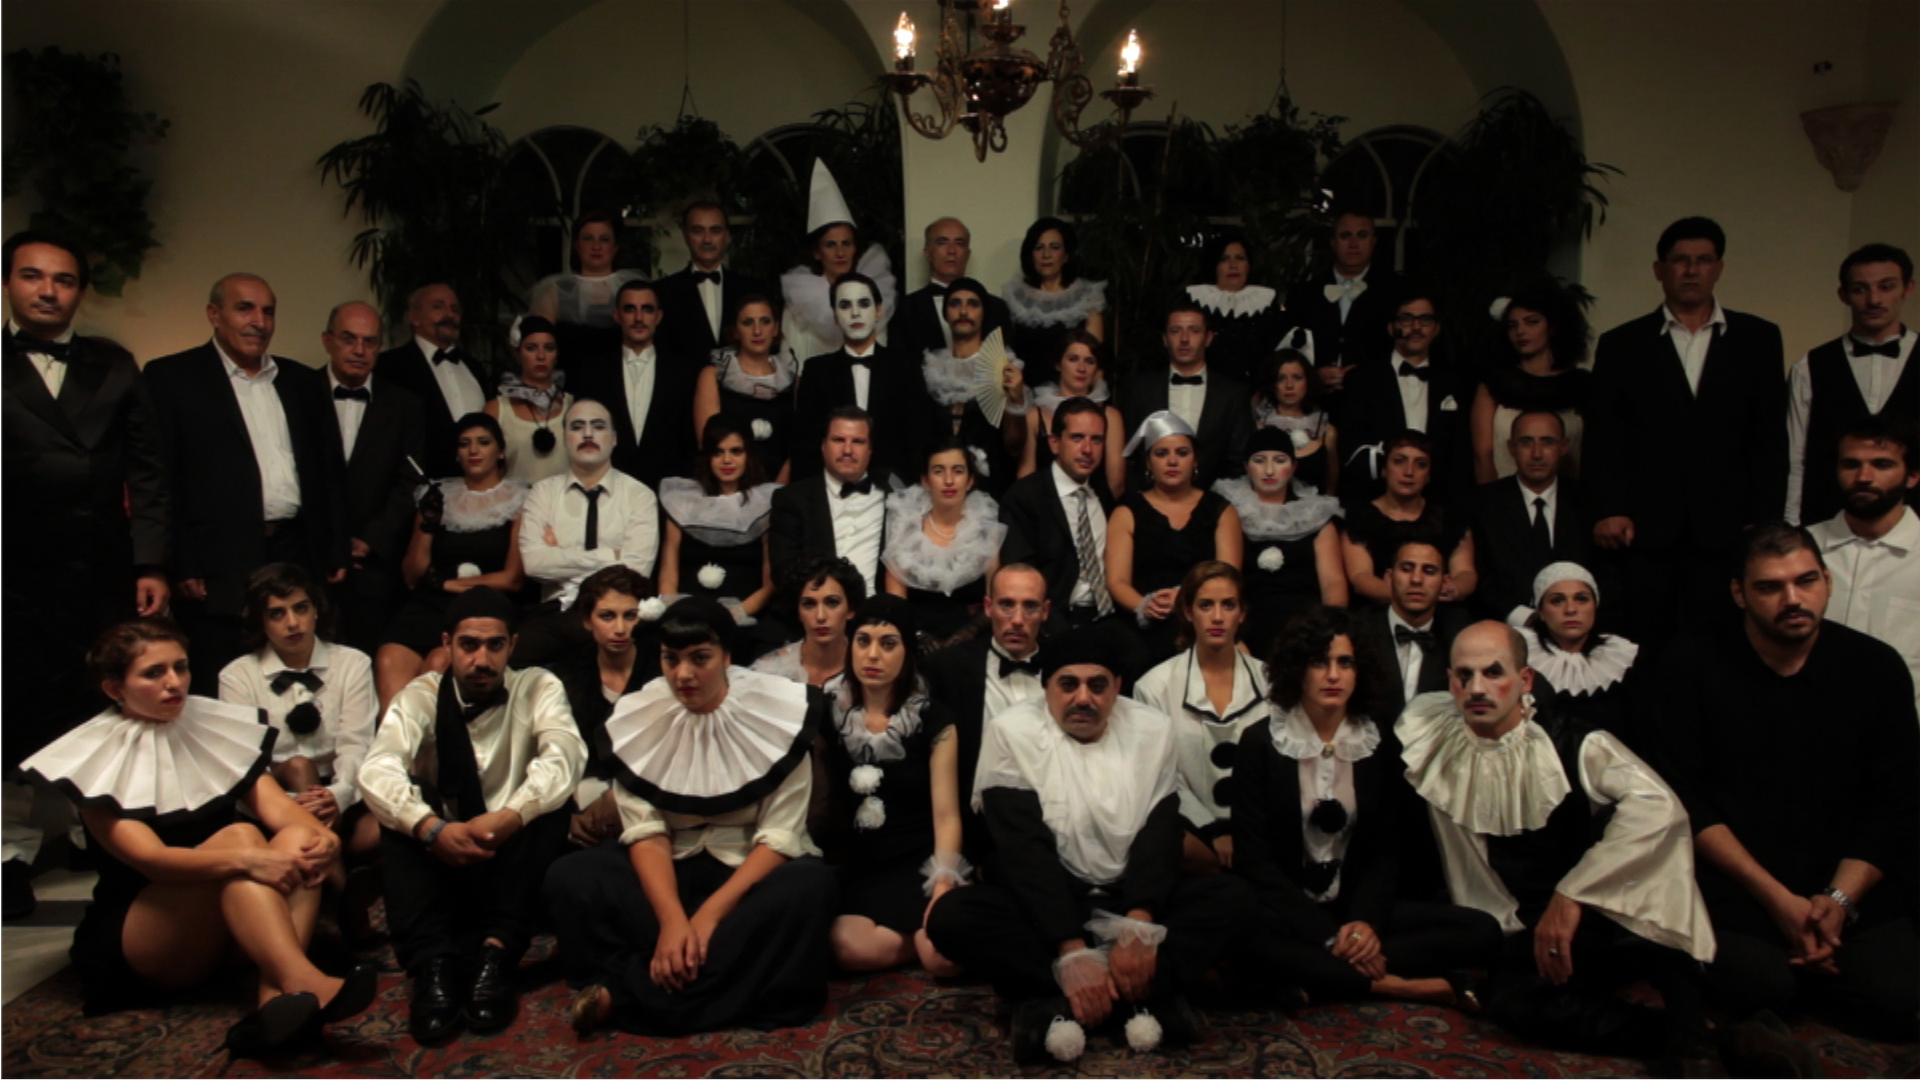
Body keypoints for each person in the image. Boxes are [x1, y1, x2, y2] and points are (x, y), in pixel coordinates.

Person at [21, 619, 376, 1052]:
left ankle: (275, 999)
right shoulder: (94, 759)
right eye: (154, 673)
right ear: (115, 689)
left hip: (230, 919)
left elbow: (281, 810)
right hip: (148, 933)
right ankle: (301, 979)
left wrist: (325, 839)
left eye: (181, 667)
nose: (174, 682)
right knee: (241, 837)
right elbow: (152, 860)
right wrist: (247, 859)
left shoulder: (211, 727)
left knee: (299, 838)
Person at [1398, 622, 1722, 1074]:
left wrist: (1574, 893)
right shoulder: (1431, 737)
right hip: (1512, 929)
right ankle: (1705, 1040)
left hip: (1594, 918)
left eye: (1493, 672)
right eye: (1464, 676)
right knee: (1510, 1003)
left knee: (1644, 844)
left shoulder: (1573, 740)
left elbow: (1660, 807)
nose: (1477, 688)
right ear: (1450, 681)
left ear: (1525, 680)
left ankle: (1691, 1035)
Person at [925, 623, 1251, 1066]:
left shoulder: (1152, 729)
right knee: (952, 918)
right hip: (1050, 901)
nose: (1083, 698)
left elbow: (1159, 834)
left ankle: (1052, 1002)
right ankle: (1138, 997)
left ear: (1117, 686)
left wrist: (1138, 925)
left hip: (1128, 897)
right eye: (1068, 685)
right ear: (1046, 689)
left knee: (1235, 899)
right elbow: (1024, 851)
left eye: (1097, 685)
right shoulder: (1011, 731)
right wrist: (1070, 950)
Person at [1657, 525, 1918, 1045]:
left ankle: (1820, 959)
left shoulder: (1877, 667)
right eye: (1770, 587)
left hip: (1844, 879)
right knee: (1760, 985)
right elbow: (1684, 801)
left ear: (1827, 581)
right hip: (1740, 883)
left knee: (1899, 1001)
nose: (1793, 599)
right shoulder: (1690, 662)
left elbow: (1895, 802)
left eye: (1806, 581)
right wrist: (1780, 901)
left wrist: (1837, 901)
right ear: (1739, 593)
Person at [545, 598, 839, 1036]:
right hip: (670, 867)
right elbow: (645, 832)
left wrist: (707, 918)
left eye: (700, 658)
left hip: (748, 872)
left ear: (727, 657)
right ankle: (720, 982)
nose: (683, 674)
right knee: (572, 876)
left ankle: (628, 993)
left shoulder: (780, 713)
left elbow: (779, 836)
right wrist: (672, 922)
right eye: (671, 659)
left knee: (812, 886)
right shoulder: (639, 717)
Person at [3, 231, 168, 917]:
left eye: (63, 280)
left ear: (79, 291)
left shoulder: (115, 363)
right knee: (12, 711)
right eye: (32, 276)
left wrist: (150, 560)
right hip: (14, 571)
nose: (48, 291)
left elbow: (148, 471)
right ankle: (9, 855)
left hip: (102, 567)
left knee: (100, 704)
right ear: (9, 284)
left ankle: (97, 839)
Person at [1235, 606, 1501, 1004]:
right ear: (1297, 669)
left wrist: (1363, 925)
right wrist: (1325, 937)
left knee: (1482, 930)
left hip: (1354, 908)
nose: (1333, 675)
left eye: (1345, 662)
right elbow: (1255, 861)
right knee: (1238, 934)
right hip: (1290, 912)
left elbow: (1384, 851)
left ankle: (1322, 977)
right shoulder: (1260, 742)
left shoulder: (1377, 742)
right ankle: (1395, 985)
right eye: (1319, 662)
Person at [359, 587, 586, 1043]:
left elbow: (566, 754)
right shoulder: (419, 696)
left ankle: (497, 955)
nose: (481, 659)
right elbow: (376, 769)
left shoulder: (537, 686)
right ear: (447, 644)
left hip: (513, 860)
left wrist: (511, 815)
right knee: (401, 805)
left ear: (512, 646)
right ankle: (433, 965)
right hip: (442, 858)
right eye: (468, 645)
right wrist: (430, 828)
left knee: (550, 797)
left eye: (494, 645)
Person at [1587, 217, 1786, 647]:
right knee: (1645, 642)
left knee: (1724, 641)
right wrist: (1610, 507)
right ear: (1659, 269)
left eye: (1703, 260)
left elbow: (1769, 437)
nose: (1692, 270)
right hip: (1645, 527)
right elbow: (1605, 435)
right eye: (1680, 260)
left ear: (1719, 268)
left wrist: (1766, 518)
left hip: (1730, 525)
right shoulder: (1622, 343)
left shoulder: (1759, 339)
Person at [140, 272, 345, 674]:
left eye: (268, 311)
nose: (259, 322)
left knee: (297, 673)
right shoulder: (171, 377)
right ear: (214, 314)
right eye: (245, 309)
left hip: (295, 550)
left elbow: (329, 470)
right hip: (216, 560)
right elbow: (162, 477)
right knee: (222, 672)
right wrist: (182, 561)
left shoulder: (302, 381)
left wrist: (335, 545)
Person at [817, 595, 964, 975]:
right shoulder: (828, 712)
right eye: (863, 641)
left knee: (943, 960)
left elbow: (947, 815)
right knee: (847, 946)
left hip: (919, 862)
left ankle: (925, 938)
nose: (873, 655)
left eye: (888, 644)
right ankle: (915, 940)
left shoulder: (933, 719)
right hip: (863, 865)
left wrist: (943, 883)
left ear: (907, 651)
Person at [218, 563, 379, 901]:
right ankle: (345, 895)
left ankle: (336, 889)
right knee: (298, 766)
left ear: (316, 609)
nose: (293, 623)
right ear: (260, 621)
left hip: (341, 795)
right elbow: (248, 765)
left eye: (301, 608)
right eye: (277, 614)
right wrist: (297, 807)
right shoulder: (237, 676)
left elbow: (356, 743)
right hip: (271, 802)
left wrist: (336, 796)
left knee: (391, 822)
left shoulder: (353, 663)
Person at [375, 413, 528, 707]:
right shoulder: (437, 493)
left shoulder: (519, 498)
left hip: (483, 607)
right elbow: (412, 576)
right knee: (388, 659)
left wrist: (447, 584)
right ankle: (394, 737)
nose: (473, 451)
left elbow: (513, 579)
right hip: (428, 606)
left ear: (500, 451)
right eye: (464, 443)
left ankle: (435, 737)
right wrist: (428, 524)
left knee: (437, 663)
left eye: (483, 442)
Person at [1131, 563, 1271, 875]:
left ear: (1242, 613)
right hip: (1189, 840)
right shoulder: (1153, 688)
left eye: (1228, 605)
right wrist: (1210, 830)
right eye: (1206, 605)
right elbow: (1160, 774)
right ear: (1188, 612)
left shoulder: (1273, 683)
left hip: (1264, 837)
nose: (1217, 617)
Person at [918, 564, 1053, 868]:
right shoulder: (947, 669)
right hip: (979, 831)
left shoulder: (1066, 668)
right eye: (1007, 605)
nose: (1017, 619)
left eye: (1030, 607)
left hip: (1055, 821)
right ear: (988, 607)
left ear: (1045, 611)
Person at [514, 398, 661, 666]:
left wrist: (560, 556)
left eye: (598, 426)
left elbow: (637, 571)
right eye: (577, 426)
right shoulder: (542, 493)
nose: (588, 434)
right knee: (514, 657)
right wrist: (612, 556)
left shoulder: (640, 496)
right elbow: (535, 563)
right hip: (555, 611)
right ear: (565, 438)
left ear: (614, 438)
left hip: (618, 614)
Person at [1786, 243, 1919, 524]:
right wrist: (1792, 526)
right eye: (1860, 289)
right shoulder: (1809, 366)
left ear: (1908, 288)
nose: (1874, 300)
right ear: (1843, 295)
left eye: (1886, 287)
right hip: (1827, 522)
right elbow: (1795, 458)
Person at [321, 299, 427, 651]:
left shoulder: (406, 405)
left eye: (369, 341)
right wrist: (326, 542)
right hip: (309, 559)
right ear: (327, 341)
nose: (359, 350)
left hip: (377, 567)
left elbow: (411, 481)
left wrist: (371, 540)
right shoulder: (298, 392)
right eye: (349, 339)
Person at [1108, 411, 1244, 661]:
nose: (1172, 461)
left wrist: (1185, 598)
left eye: (1182, 453)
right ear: (1148, 462)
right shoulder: (1126, 512)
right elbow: (1117, 581)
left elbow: (1228, 577)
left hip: (1206, 618)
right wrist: (1144, 605)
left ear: (1195, 460)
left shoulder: (1221, 510)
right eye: (1161, 454)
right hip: (1143, 623)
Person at [1808, 416, 1920, 708]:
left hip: (1906, 725)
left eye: (1882, 464)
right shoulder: (1801, 549)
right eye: (1851, 464)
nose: (1863, 477)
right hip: (1806, 721)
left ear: (1912, 475)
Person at [1213, 427, 1348, 658]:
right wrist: (1232, 635)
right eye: (1259, 460)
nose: (1269, 470)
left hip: (1306, 625)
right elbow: (1226, 579)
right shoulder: (1229, 510)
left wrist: (1325, 633)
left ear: (1293, 467)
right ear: (1246, 466)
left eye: (1279, 460)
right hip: (1248, 622)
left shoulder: (1316, 514)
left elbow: (1333, 585)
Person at [549, 566, 657, 853]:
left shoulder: (661, 670)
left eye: (630, 616)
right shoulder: (567, 674)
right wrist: (567, 819)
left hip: (650, 791)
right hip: (582, 793)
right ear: (587, 620)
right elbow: (555, 753)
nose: (620, 628)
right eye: (607, 616)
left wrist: (617, 796)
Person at [790, 272, 930, 482]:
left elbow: (918, 437)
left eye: (864, 304)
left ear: (878, 311)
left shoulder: (906, 367)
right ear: (835, 316)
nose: (855, 313)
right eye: (845, 305)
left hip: (896, 487)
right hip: (830, 486)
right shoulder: (816, 370)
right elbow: (806, 443)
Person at [1001, 398, 1119, 635]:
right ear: (1054, 443)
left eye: (1096, 440)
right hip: (1052, 624)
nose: (1088, 449)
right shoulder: (1025, 496)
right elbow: (1021, 578)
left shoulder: (1103, 494)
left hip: (1108, 618)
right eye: (1077, 438)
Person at [1338, 288, 1468, 502]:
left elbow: (1460, 453)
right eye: (1406, 319)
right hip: (1374, 500)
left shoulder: (1455, 383)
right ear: (1391, 327)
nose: (1416, 327)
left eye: (1425, 320)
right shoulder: (1362, 379)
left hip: (1439, 503)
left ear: (1436, 329)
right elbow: (1351, 445)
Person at [566, 280, 696, 491]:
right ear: (617, 316)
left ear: (658, 316)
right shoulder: (593, 372)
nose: (638, 318)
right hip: (606, 489)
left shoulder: (684, 372)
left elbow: (689, 440)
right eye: (630, 309)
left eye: (647, 309)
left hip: (669, 492)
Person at [1468, 410, 1595, 623]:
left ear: (1564, 447)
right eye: (1526, 442)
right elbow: (1480, 575)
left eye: (1547, 442)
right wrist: (1524, 618)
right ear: (1512, 448)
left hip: (1578, 624)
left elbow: (1603, 573)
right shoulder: (1483, 503)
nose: (1537, 454)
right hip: (1504, 625)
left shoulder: (1587, 502)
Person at [883, 436, 1007, 647]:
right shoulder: (905, 526)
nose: (949, 480)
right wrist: (918, 638)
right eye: (938, 471)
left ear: (970, 480)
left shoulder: (986, 528)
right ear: (925, 480)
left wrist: (964, 636)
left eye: (958, 471)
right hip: (915, 643)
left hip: (973, 642)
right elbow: (896, 601)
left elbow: (996, 598)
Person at [1119, 304, 1255, 488]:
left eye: (1194, 331)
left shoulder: (1233, 394)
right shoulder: (1140, 389)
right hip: (1150, 499)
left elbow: (1239, 460)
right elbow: (1129, 454)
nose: (1184, 339)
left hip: (1214, 500)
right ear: (1165, 339)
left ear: (1208, 338)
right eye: (1176, 331)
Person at [658, 415, 780, 622]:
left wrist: (733, 616)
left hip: (745, 617)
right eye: (718, 452)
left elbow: (771, 585)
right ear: (707, 457)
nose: (727, 460)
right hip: (688, 617)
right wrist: (675, 614)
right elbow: (668, 575)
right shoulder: (681, 501)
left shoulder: (767, 503)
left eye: (736, 451)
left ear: (749, 454)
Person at [780, 160, 897, 373]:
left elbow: (881, 352)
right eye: (831, 245)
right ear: (817, 252)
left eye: (847, 243)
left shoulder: (873, 293)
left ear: (855, 248)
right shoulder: (800, 300)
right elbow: (792, 362)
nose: (840, 253)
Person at [919, 276, 1029, 496]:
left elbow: (1014, 446)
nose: (963, 311)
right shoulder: (932, 369)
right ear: (945, 313)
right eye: (955, 303)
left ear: (984, 313)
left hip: (991, 488)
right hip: (940, 489)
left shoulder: (1003, 368)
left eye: (973, 304)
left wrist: (1016, 401)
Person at [1472, 285, 1594, 484]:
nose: (1520, 331)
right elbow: (1482, 456)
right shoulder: (1494, 383)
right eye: (1513, 325)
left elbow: (1596, 452)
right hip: (1504, 494)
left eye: (1532, 322)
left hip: (1569, 496)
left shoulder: (1581, 384)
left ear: (1552, 326)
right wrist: (1490, 500)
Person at [1340, 430, 1477, 605]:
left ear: (1429, 474)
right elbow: (1360, 577)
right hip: (1381, 609)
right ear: (1384, 468)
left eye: (1420, 464)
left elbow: (1466, 572)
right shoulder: (1360, 517)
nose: (1409, 471)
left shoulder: (1451, 517)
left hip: (1441, 607)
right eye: (1399, 461)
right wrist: (1408, 597)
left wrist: (1454, 589)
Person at [769, 407, 893, 599]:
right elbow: (783, 573)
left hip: (876, 611)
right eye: (838, 440)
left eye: (858, 441)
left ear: (870, 450)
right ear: (823, 446)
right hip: (814, 608)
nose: (847, 450)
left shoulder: (894, 498)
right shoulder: (791, 499)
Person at [1515, 563, 1642, 747]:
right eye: (1557, 600)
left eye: (1581, 599)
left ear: (1595, 606)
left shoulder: (1622, 660)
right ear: (1540, 611)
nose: (1571, 609)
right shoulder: (1520, 655)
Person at [1282, 209, 1400, 398]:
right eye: (1345, 236)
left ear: (1374, 241)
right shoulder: (1303, 294)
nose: (1353, 244)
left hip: (1373, 400)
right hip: (1313, 401)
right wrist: (1313, 375)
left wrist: (1361, 376)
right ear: (1333, 242)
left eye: (1362, 235)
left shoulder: (1395, 293)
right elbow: (1287, 353)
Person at [379, 283, 490, 480]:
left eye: (455, 309)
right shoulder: (389, 367)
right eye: (438, 307)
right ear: (414, 317)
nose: (449, 314)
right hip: (418, 487)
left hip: (478, 487)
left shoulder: (476, 368)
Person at [653, 202, 773, 366]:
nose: (707, 239)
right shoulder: (662, 292)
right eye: (698, 231)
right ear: (686, 236)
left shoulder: (753, 290)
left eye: (715, 231)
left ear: (727, 236)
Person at [691, 295, 797, 481]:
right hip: (729, 486)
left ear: (776, 328)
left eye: (765, 321)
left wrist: (778, 490)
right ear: (735, 331)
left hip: (782, 487)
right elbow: (709, 445)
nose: (757, 331)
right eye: (748, 323)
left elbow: (797, 446)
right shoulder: (714, 375)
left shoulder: (791, 379)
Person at [527, 210, 646, 364]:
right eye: (588, 239)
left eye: (604, 239)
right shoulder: (557, 289)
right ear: (576, 245)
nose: (596, 246)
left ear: (615, 246)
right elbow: (538, 341)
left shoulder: (633, 288)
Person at [1363, 537, 1472, 706]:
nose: (1416, 579)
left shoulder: (1460, 635)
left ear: (1445, 582)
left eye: (1429, 571)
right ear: (1389, 578)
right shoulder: (1361, 630)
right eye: (1407, 569)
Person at [1019, 330, 1127, 497]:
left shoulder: (1110, 416)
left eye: (1090, 361)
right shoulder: (1035, 415)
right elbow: (1026, 475)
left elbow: (1116, 483)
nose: (1081, 368)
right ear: (1058, 364)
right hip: (1044, 506)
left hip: (1095, 504)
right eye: (1073, 359)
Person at [1001, 217, 1107, 386]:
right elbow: (1005, 354)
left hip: (1071, 394)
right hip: (1024, 393)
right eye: (1039, 248)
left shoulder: (1088, 296)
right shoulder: (1014, 297)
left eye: (1055, 247)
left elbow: (1095, 361)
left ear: (1066, 255)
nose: (1046, 255)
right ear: (1030, 255)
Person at [891, 217, 1012, 362]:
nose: (951, 251)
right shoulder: (906, 309)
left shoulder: (996, 307)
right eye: (942, 242)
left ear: (968, 254)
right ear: (928, 253)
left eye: (959, 243)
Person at [1186, 228, 1286, 385]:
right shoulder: (1194, 300)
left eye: (1240, 258)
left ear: (1249, 265)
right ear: (1213, 264)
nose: (1233, 265)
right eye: (1224, 259)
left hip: (1255, 391)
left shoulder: (1266, 302)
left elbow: (1275, 357)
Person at [752, 555, 867, 689]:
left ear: (851, 609)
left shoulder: (869, 670)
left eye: (832, 603)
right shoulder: (768, 673)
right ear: (797, 611)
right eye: (809, 604)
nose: (820, 616)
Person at [486, 315, 571, 484]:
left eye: (549, 348)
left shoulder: (572, 405)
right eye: (531, 348)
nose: (541, 356)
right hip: (515, 499)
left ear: (557, 354)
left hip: (565, 499)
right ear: (517, 353)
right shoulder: (497, 409)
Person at [1250, 346, 1340, 495]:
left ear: (1308, 381)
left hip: (1314, 507)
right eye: (1281, 378)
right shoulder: (1258, 426)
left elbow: (1330, 490)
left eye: (1297, 377)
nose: (1289, 385)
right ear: (1272, 383)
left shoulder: (1326, 431)